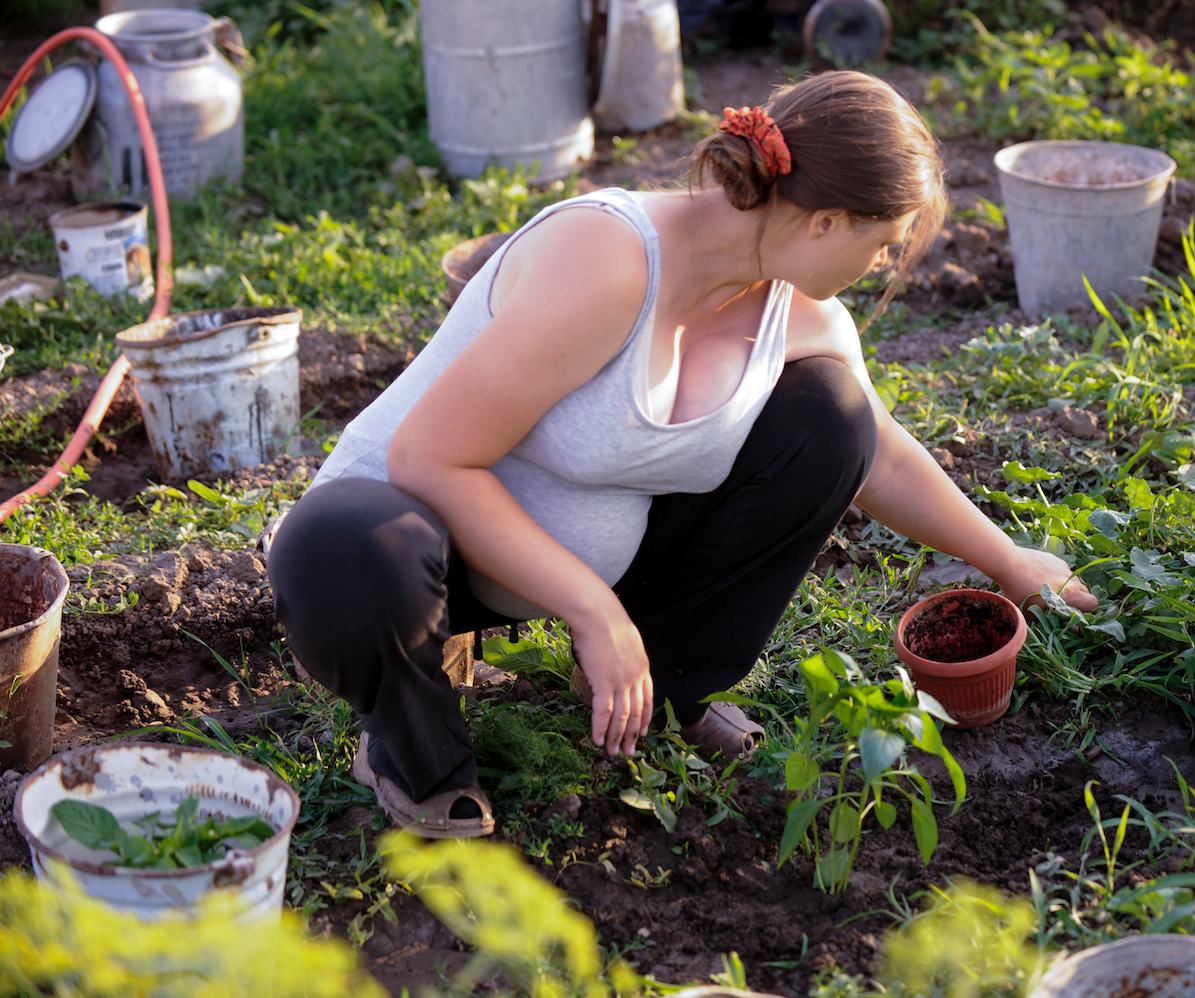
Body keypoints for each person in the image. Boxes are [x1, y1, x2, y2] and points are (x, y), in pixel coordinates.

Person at [267, 71, 1098, 839]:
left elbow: (881, 458)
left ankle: (657, 691)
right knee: (347, 544)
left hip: (559, 568)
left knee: (834, 417)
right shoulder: (609, 260)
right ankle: (413, 745)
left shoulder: (797, 312)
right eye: (883, 243)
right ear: (824, 221)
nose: (881, 265)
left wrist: (1010, 559)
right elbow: (428, 460)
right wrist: (595, 612)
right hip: (409, 552)